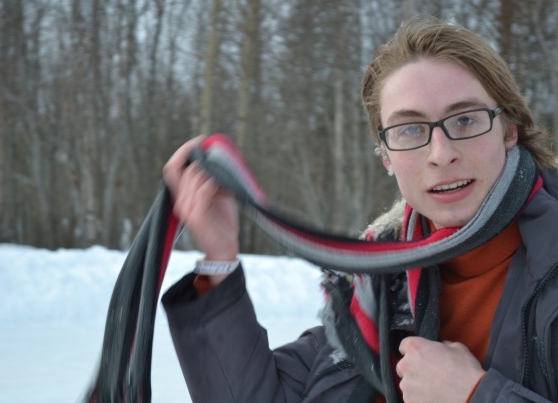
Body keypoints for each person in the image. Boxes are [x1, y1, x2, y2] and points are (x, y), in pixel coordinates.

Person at [160, 16, 558, 403]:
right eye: (410, 129)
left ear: (509, 130)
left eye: (466, 119)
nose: (442, 153)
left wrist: (475, 395)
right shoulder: (376, 289)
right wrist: (218, 261)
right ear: (386, 156)